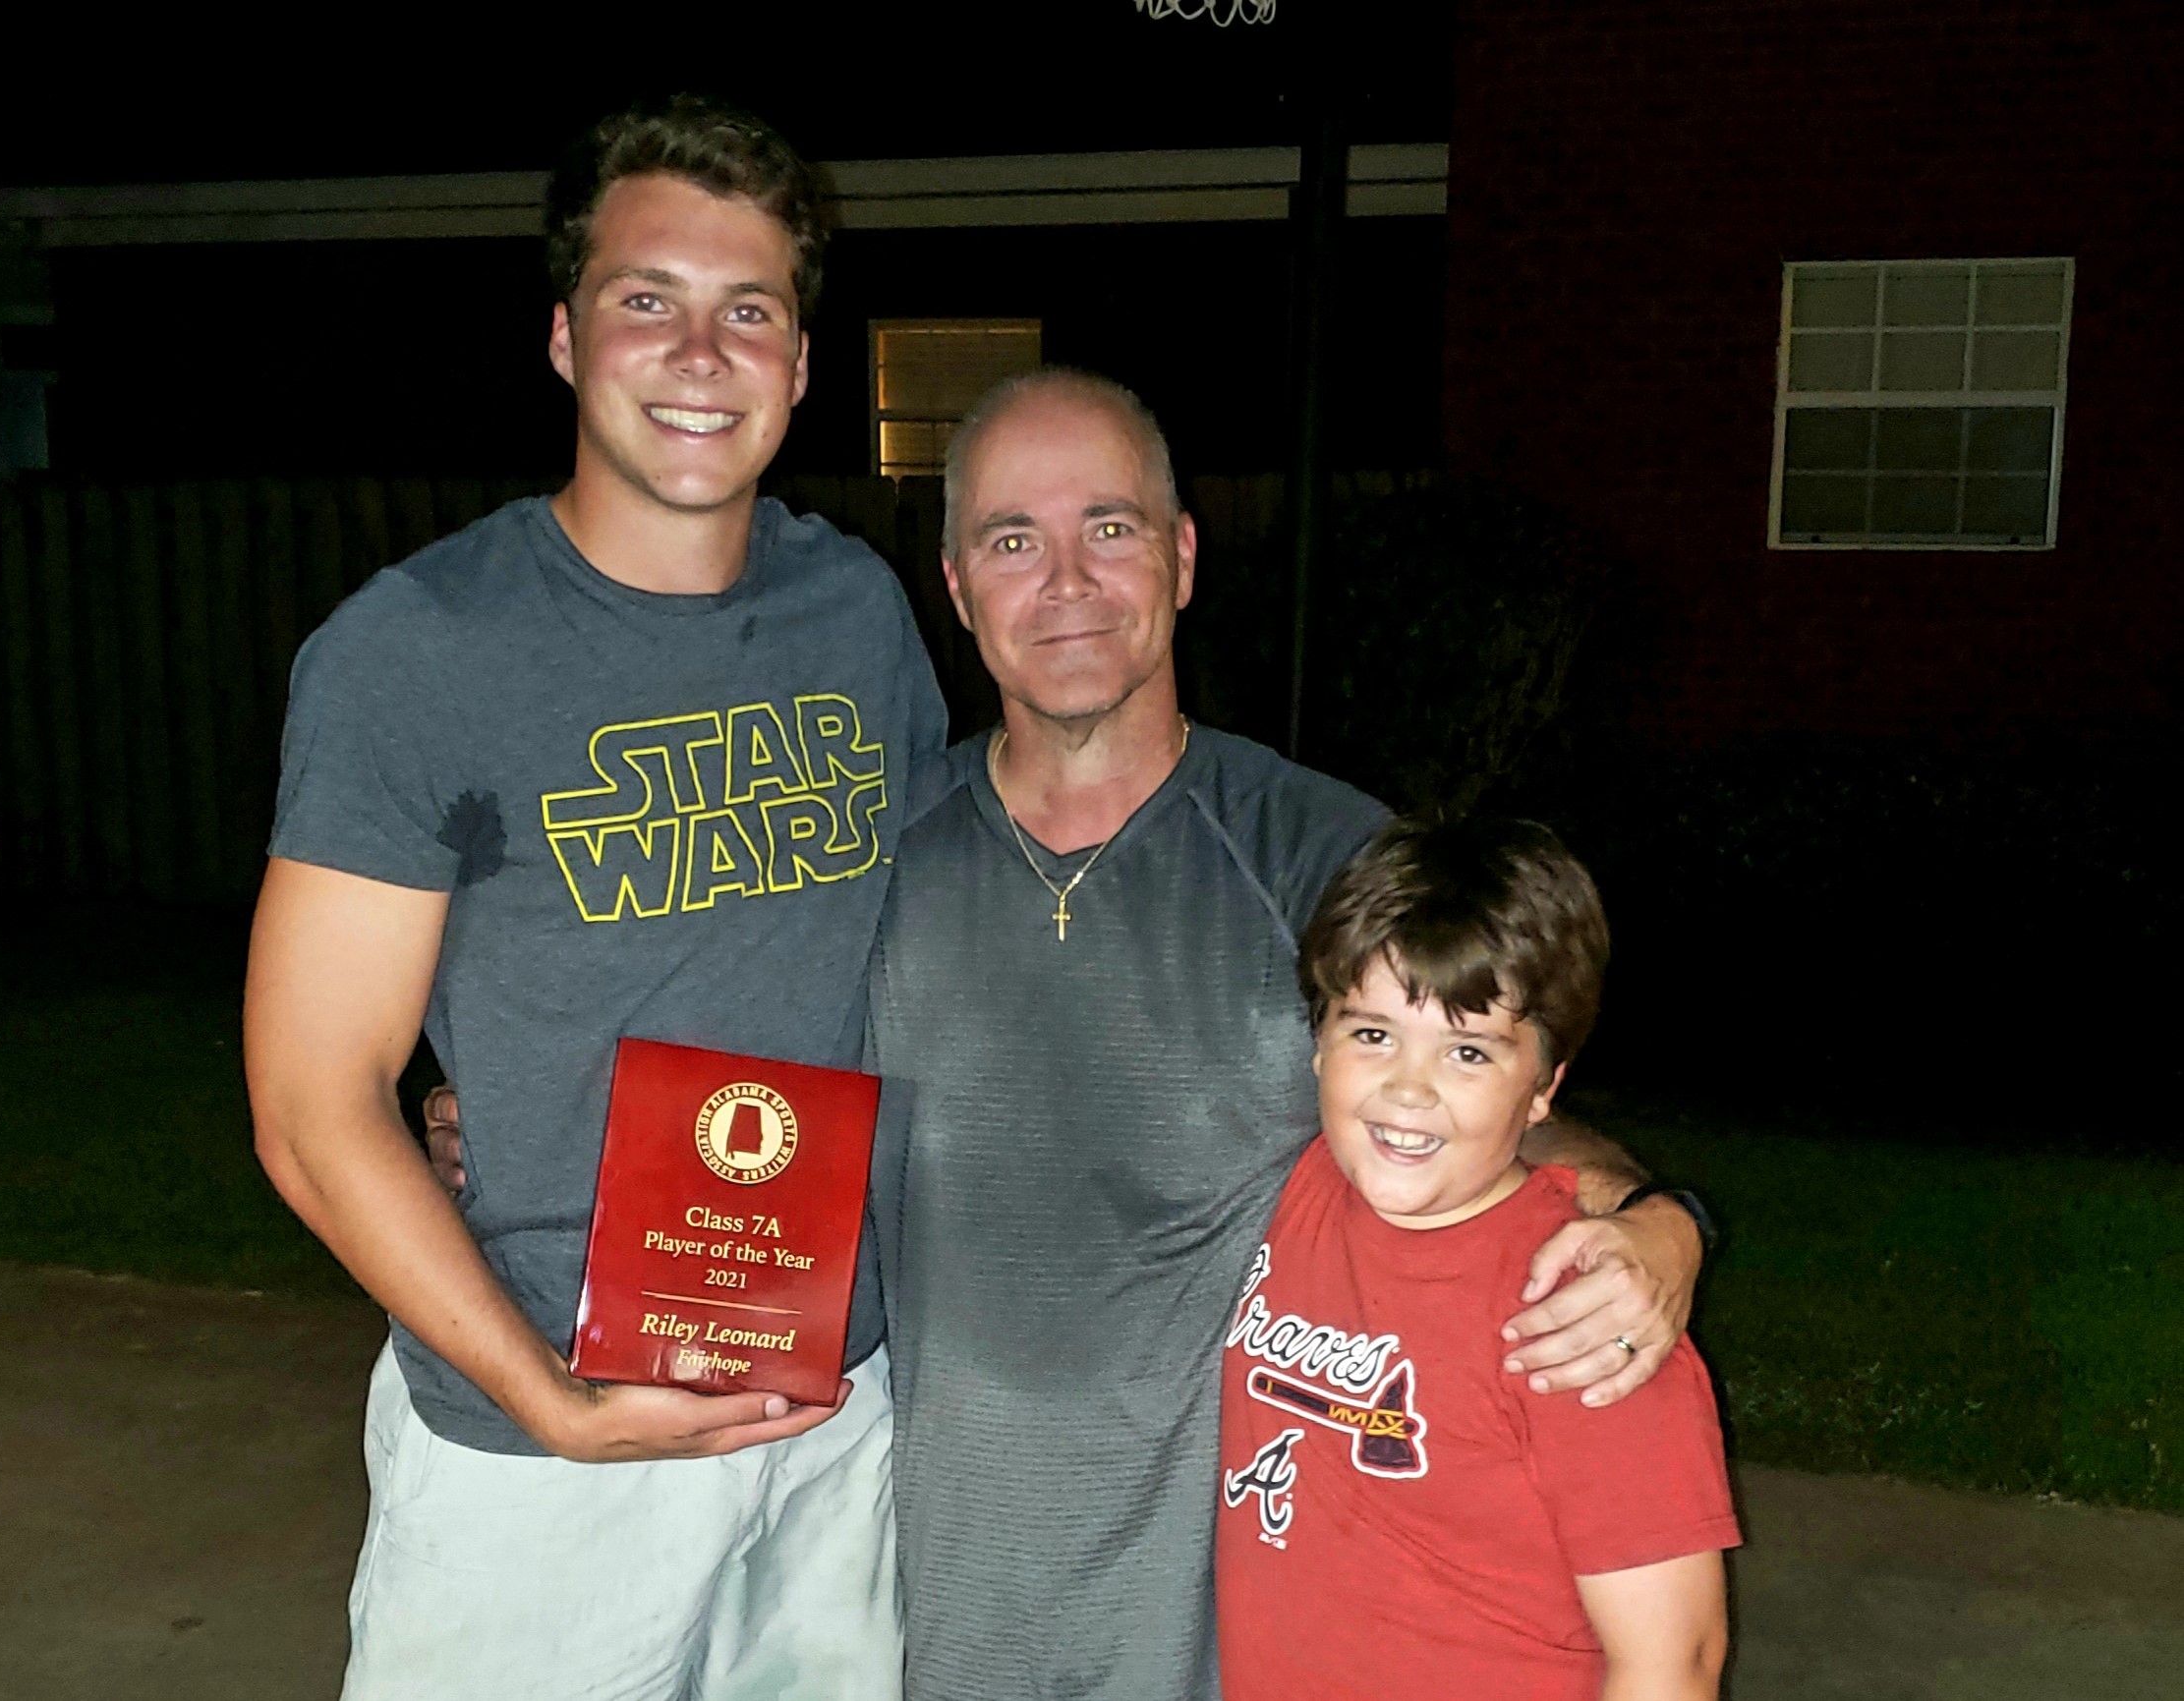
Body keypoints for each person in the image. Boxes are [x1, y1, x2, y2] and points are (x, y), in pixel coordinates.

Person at [859, 368, 1711, 1700]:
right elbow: (734, 1120)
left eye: (1113, 527)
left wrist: (1660, 1221)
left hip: (1230, 1624)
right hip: (929, 1601)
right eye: (1014, 540)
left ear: (1183, 555)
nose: (1067, 579)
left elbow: (1484, 1101)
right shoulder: (869, 863)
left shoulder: (1324, 858)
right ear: (958, 584)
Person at [243, 95, 944, 1700]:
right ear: (565, 337)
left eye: (748, 310)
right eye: (650, 300)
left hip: (840, 1408)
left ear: (801, 364)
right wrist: (546, 1395)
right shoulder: (417, 655)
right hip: (546, 1451)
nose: (702, 352)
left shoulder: (857, 615)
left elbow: (914, 963)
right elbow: (307, 1098)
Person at [1216, 816, 1739, 1701]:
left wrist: (1671, 1221)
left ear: (1544, 1087)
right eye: (1372, 1033)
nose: (1407, 1089)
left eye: (1467, 1051)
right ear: (1316, 1041)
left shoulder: (1585, 1316)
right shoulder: (1300, 1186)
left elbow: (1674, 1661)